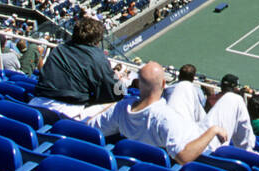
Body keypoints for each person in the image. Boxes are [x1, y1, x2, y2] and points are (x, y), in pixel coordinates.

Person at [82, 61, 228, 164]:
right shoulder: (165, 118)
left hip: (174, 129)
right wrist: (212, 131)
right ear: (164, 84)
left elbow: (90, 127)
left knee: (184, 87)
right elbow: (183, 157)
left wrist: (113, 105)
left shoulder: (121, 108)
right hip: (204, 142)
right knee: (233, 99)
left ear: (138, 84)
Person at [33, 15, 122, 109]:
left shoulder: (59, 49)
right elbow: (116, 94)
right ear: (98, 41)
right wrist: (118, 79)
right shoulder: (98, 57)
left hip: (37, 102)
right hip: (68, 109)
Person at [207, 73, 257, 150]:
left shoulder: (210, 99)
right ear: (235, 88)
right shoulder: (238, 101)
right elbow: (244, 134)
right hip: (219, 147)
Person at [166, 64, 209, 130]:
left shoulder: (169, 88)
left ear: (179, 76)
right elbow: (203, 106)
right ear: (192, 78)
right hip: (187, 127)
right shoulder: (197, 91)